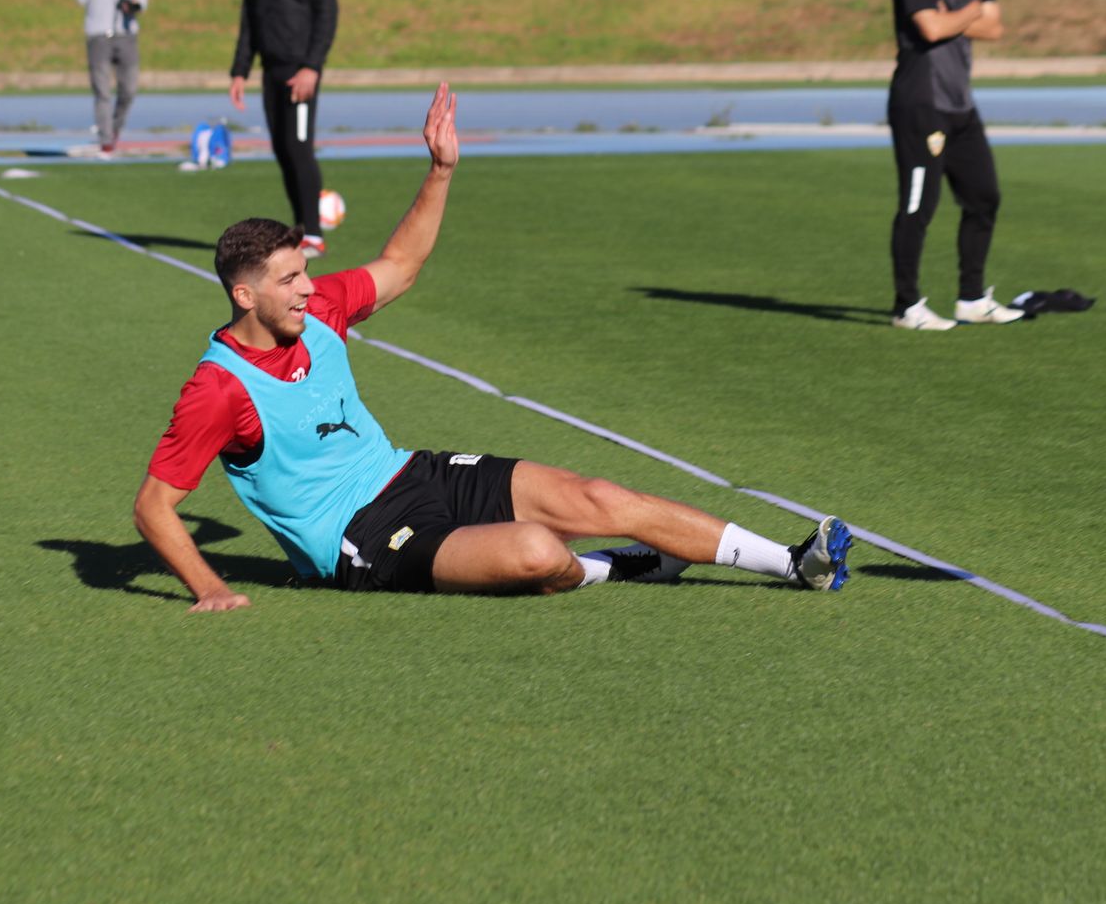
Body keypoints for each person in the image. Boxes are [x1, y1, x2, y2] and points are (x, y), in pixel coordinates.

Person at [134, 84, 855, 612]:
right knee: (540, 551)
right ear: (243, 295)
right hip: (358, 540)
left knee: (597, 495)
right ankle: (624, 569)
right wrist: (212, 588)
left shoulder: (317, 308)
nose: (306, 287)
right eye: (289, 278)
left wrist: (441, 171)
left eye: (305, 271)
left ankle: (795, 562)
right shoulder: (218, 389)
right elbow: (154, 507)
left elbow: (402, 265)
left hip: (409, 472)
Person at [887, 0, 1024, 331]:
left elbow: (996, 27)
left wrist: (955, 16)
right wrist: (971, 11)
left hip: (959, 105)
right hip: (919, 103)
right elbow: (931, 28)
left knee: (984, 196)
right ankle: (907, 306)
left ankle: (971, 298)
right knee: (918, 206)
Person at [229, 0, 338, 260]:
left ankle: (313, 233)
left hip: (300, 71)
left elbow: (327, 12)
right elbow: (250, 18)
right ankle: (300, 230)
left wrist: (312, 66)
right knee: (281, 148)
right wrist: (240, 70)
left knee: (299, 147)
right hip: (271, 70)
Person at [74, 0, 149, 157]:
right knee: (102, 91)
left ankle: (115, 128)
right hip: (98, 33)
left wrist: (137, 3)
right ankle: (106, 141)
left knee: (129, 89)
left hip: (126, 31)